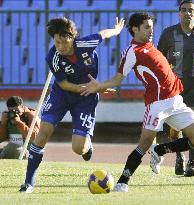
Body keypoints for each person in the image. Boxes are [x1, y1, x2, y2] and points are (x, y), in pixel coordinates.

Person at [79, 12, 194, 192]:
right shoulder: (132, 51)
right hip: (157, 105)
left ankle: (159, 150)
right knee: (144, 143)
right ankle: (122, 182)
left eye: (152, 27)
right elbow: (117, 78)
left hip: (176, 101)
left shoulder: (150, 45)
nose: (151, 31)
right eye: (147, 27)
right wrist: (99, 86)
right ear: (135, 29)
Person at [19, 16, 124, 193]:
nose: (60, 46)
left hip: (86, 98)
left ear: (71, 36)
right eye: (56, 42)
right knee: (43, 132)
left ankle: (87, 146)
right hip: (61, 95)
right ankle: (29, 183)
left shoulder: (85, 44)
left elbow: (103, 34)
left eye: (63, 41)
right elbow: (64, 85)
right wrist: (94, 88)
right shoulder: (53, 56)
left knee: (78, 149)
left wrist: (116, 30)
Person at [157, 0, 194, 177]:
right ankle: (179, 155)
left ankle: (191, 164)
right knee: (174, 128)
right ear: (179, 13)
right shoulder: (169, 33)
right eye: (183, 10)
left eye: (191, 10)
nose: (187, 13)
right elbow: (159, 58)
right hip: (175, 84)